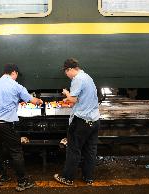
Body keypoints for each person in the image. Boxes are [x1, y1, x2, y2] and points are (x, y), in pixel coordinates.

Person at [0, 63, 43, 192]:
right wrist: (40, 101)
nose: (16, 77)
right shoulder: (16, 86)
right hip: (5, 123)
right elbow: (32, 100)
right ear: (14, 73)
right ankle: (22, 181)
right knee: (16, 151)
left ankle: (2, 177)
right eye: (17, 75)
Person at [54, 58, 100, 186]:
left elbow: (73, 99)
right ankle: (88, 177)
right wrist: (71, 102)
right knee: (90, 150)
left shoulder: (77, 79)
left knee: (74, 149)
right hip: (94, 120)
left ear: (69, 69)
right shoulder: (87, 77)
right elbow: (83, 99)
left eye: (66, 72)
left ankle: (67, 178)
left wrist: (66, 93)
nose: (66, 75)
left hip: (82, 121)